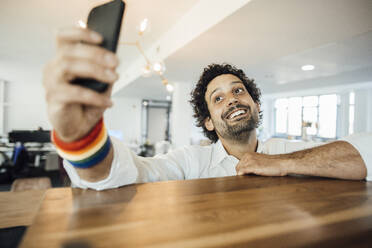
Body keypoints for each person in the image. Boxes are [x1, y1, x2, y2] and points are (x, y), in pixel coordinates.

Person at [43, 27, 371, 190]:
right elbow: (127, 176)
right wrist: (78, 136)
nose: (232, 99)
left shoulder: (288, 151)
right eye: (218, 98)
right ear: (209, 123)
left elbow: (364, 153)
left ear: (255, 105)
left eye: (238, 91)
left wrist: (279, 162)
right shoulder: (190, 161)